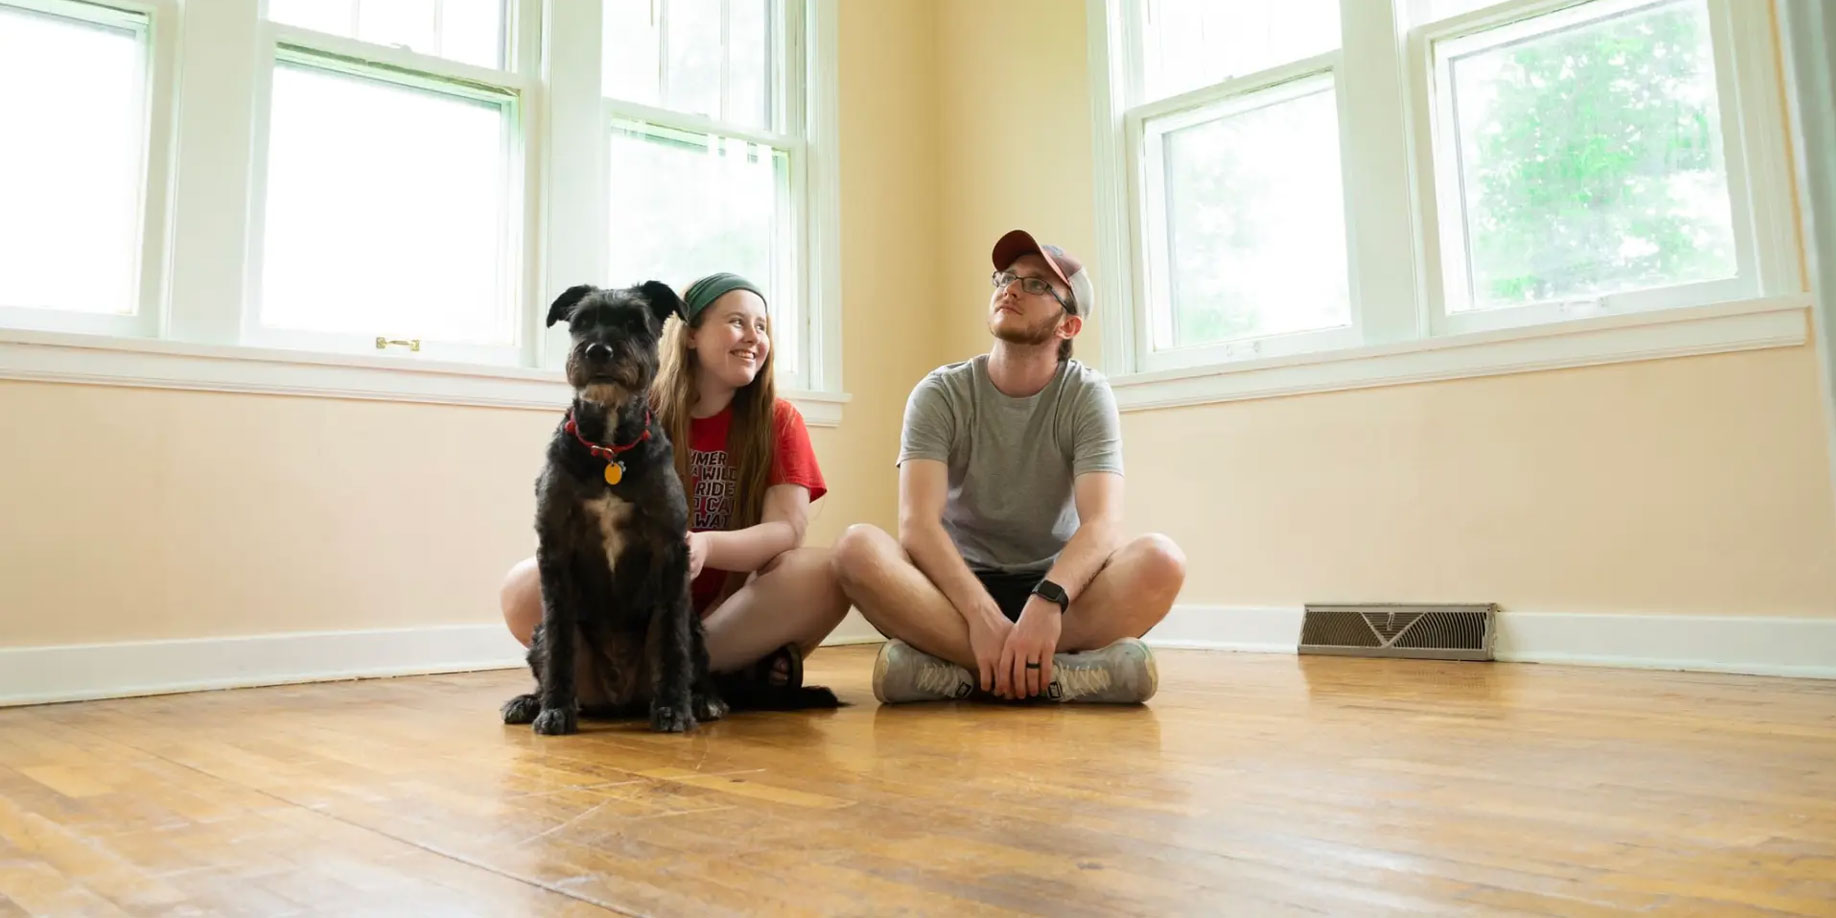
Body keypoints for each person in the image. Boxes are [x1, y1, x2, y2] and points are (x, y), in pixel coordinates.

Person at [832, 230, 1186, 704]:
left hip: (1060, 590)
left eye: (1038, 285)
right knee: (856, 549)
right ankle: (1061, 675)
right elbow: (917, 524)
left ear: (1069, 327)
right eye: (1007, 277)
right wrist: (980, 613)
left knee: (1162, 561)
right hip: (956, 591)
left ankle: (957, 673)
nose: (1012, 288)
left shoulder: (1086, 394)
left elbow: (1103, 523)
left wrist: (1048, 601)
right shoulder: (940, 392)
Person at [502, 273, 848, 692]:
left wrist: (706, 545)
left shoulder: (780, 420)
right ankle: (712, 677)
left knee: (824, 572)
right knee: (522, 587)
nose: (753, 337)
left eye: (762, 327)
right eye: (737, 321)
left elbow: (787, 530)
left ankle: (680, 670)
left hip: (730, 611)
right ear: (690, 334)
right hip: (632, 608)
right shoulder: (635, 409)